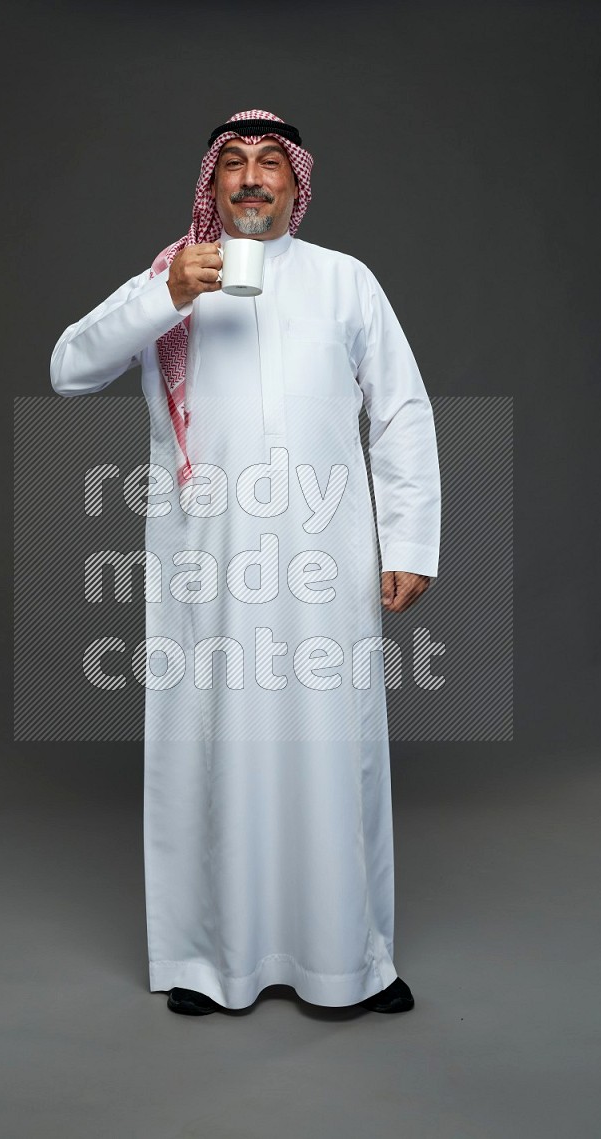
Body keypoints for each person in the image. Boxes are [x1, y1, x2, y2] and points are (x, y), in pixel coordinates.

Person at [50, 109, 441, 1016]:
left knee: (330, 751)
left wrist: (410, 542)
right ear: (213, 184)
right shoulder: (172, 277)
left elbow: (402, 413)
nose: (254, 178)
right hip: (205, 565)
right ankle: (204, 959)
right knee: (209, 748)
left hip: (323, 563)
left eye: (271, 163)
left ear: (296, 185)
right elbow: (70, 367)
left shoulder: (346, 282)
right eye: (234, 164)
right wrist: (168, 296)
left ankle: (350, 959)